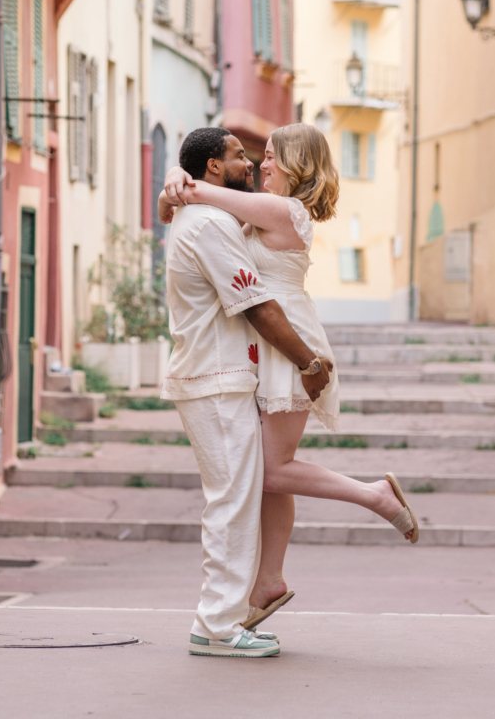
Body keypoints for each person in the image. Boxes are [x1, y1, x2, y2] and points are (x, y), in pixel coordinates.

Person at [160, 123, 420, 633]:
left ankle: (375, 496)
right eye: (256, 156)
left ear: (297, 163)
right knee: (268, 472)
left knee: (271, 471)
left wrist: (178, 176)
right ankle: (268, 581)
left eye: (273, 156)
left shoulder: (283, 210)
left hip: (291, 344)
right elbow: (189, 199)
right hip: (269, 347)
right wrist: (177, 178)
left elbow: (194, 191)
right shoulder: (256, 210)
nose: (262, 165)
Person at [161, 127, 331, 659]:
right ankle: (217, 627)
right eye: (240, 156)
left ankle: (223, 619)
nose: (253, 164)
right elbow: (256, 303)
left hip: (222, 376)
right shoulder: (211, 223)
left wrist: (175, 183)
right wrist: (308, 362)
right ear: (213, 167)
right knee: (231, 502)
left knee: (234, 498)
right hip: (215, 377)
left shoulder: (211, 213)